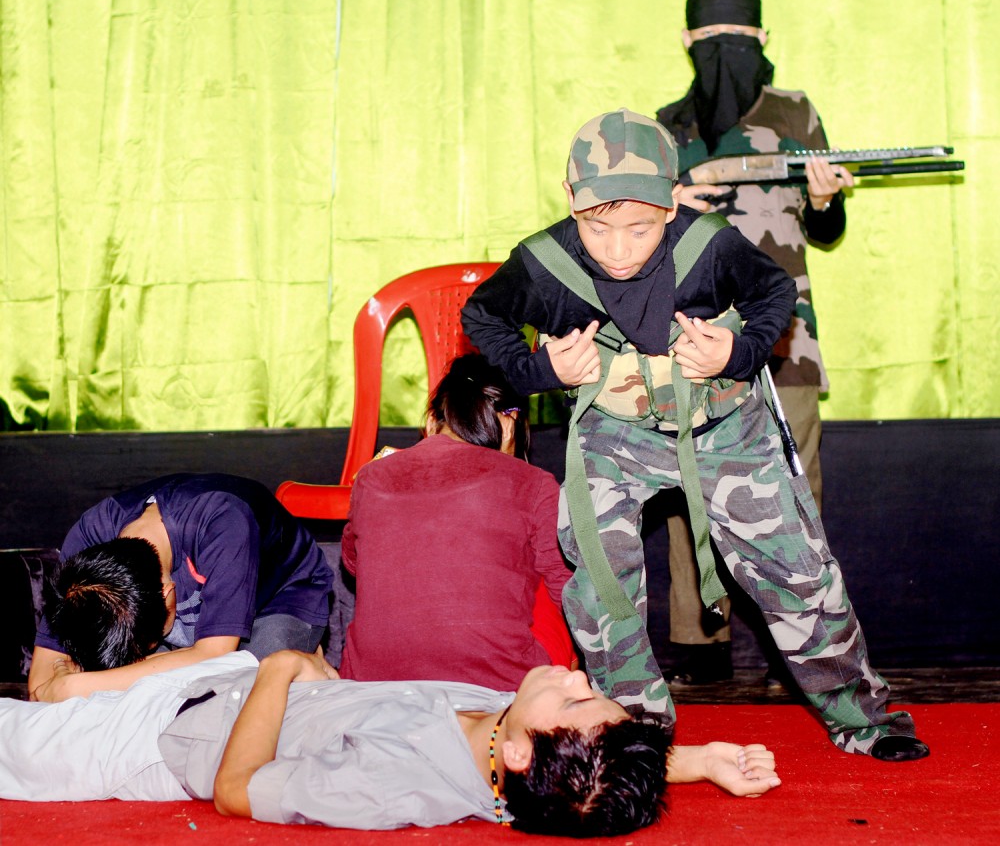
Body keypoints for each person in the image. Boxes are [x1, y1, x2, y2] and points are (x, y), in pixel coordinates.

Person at [461, 107, 928, 761]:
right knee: (599, 579)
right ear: (570, 201)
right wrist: (540, 369)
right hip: (614, 434)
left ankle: (862, 716)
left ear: (674, 201)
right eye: (599, 226)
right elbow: (481, 316)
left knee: (798, 573)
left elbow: (774, 295)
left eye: (640, 227)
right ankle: (639, 738)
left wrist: (735, 351)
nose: (619, 248)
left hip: (724, 428)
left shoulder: (707, 244)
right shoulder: (542, 264)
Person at [0, 650, 782, 833]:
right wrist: (700, 761)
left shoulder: (396, 786)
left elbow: (235, 792)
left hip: (157, 742)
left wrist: (281, 672)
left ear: (517, 756)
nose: (576, 674)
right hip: (222, 681)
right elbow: (590, 764)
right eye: (590, 686)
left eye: (575, 696)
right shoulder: (522, 739)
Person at [655, 0, 855, 685]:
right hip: (689, 336)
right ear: (686, 40)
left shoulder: (795, 114)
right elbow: (631, 241)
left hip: (785, 337)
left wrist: (825, 198)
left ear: (764, 36)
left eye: (738, 38)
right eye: (714, 39)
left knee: (795, 496)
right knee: (689, 490)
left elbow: (825, 231)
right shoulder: (663, 129)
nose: (725, 51)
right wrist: (672, 205)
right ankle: (696, 643)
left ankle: (805, 651)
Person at [339, 352, 574, 688]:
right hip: (498, 684)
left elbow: (352, 563)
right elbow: (568, 591)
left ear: (434, 421)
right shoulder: (532, 482)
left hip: (372, 682)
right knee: (544, 583)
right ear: (510, 423)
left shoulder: (371, 476)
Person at [28, 473, 335, 703]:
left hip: (280, 598)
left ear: (167, 593)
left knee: (240, 695)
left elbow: (215, 656)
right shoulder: (87, 544)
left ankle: (306, 658)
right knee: (137, 693)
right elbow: (41, 680)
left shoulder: (223, 522)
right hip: (193, 628)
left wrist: (78, 685)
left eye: (142, 650)